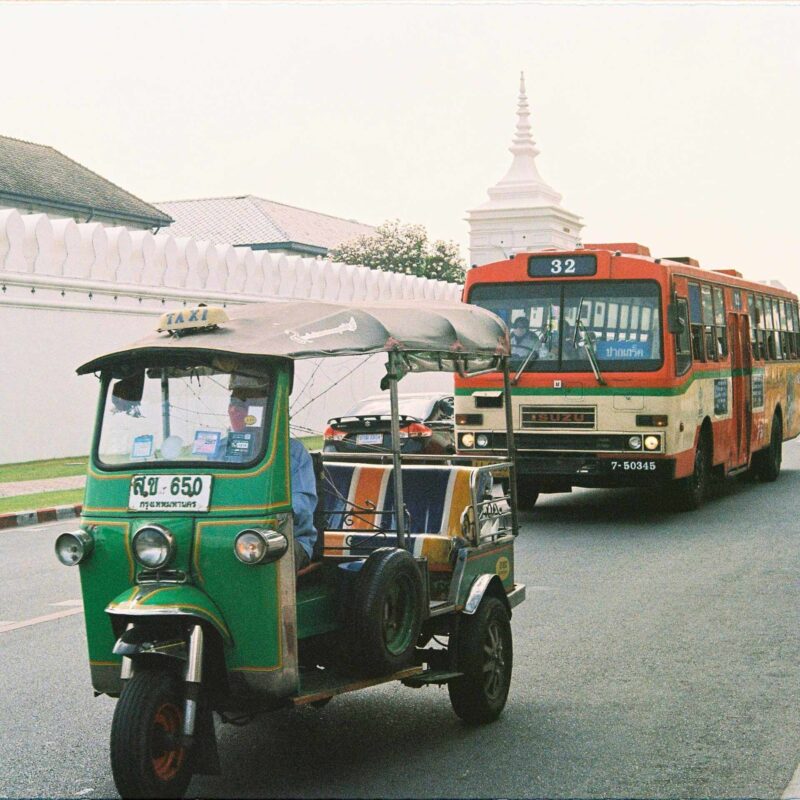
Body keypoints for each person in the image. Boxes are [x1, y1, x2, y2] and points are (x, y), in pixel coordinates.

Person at [290, 438, 318, 571]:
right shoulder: (219, 449)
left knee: (275, 550)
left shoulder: (291, 450)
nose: (239, 415)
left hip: (290, 536)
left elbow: (301, 504)